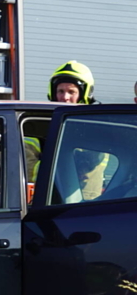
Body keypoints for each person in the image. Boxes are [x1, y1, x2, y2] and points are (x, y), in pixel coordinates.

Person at [45, 61, 108, 199]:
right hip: (46, 196)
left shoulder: (96, 125)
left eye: (71, 92)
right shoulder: (41, 122)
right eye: (60, 91)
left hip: (84, 200)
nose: (65, 97)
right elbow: (27, 163)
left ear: (84, 94)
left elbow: (92, 161)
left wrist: (52, 166)